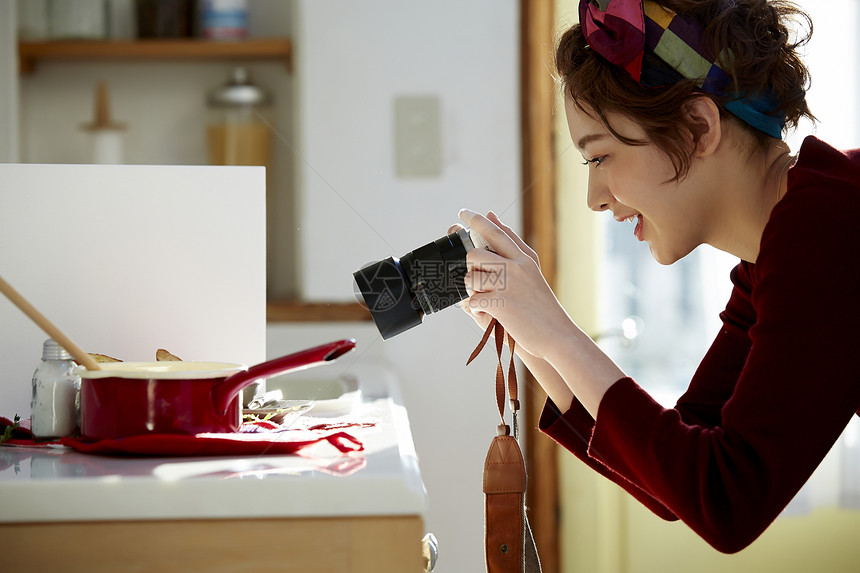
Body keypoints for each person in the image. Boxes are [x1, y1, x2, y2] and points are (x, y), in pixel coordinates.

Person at [452, 0, 860, 554]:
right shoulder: (783, 249)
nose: (596, 199)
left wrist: (558, 333)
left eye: (599, 158)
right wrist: (532, 336)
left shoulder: (829, 230)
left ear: (698, 127)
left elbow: (726, 499)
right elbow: (679, 477)